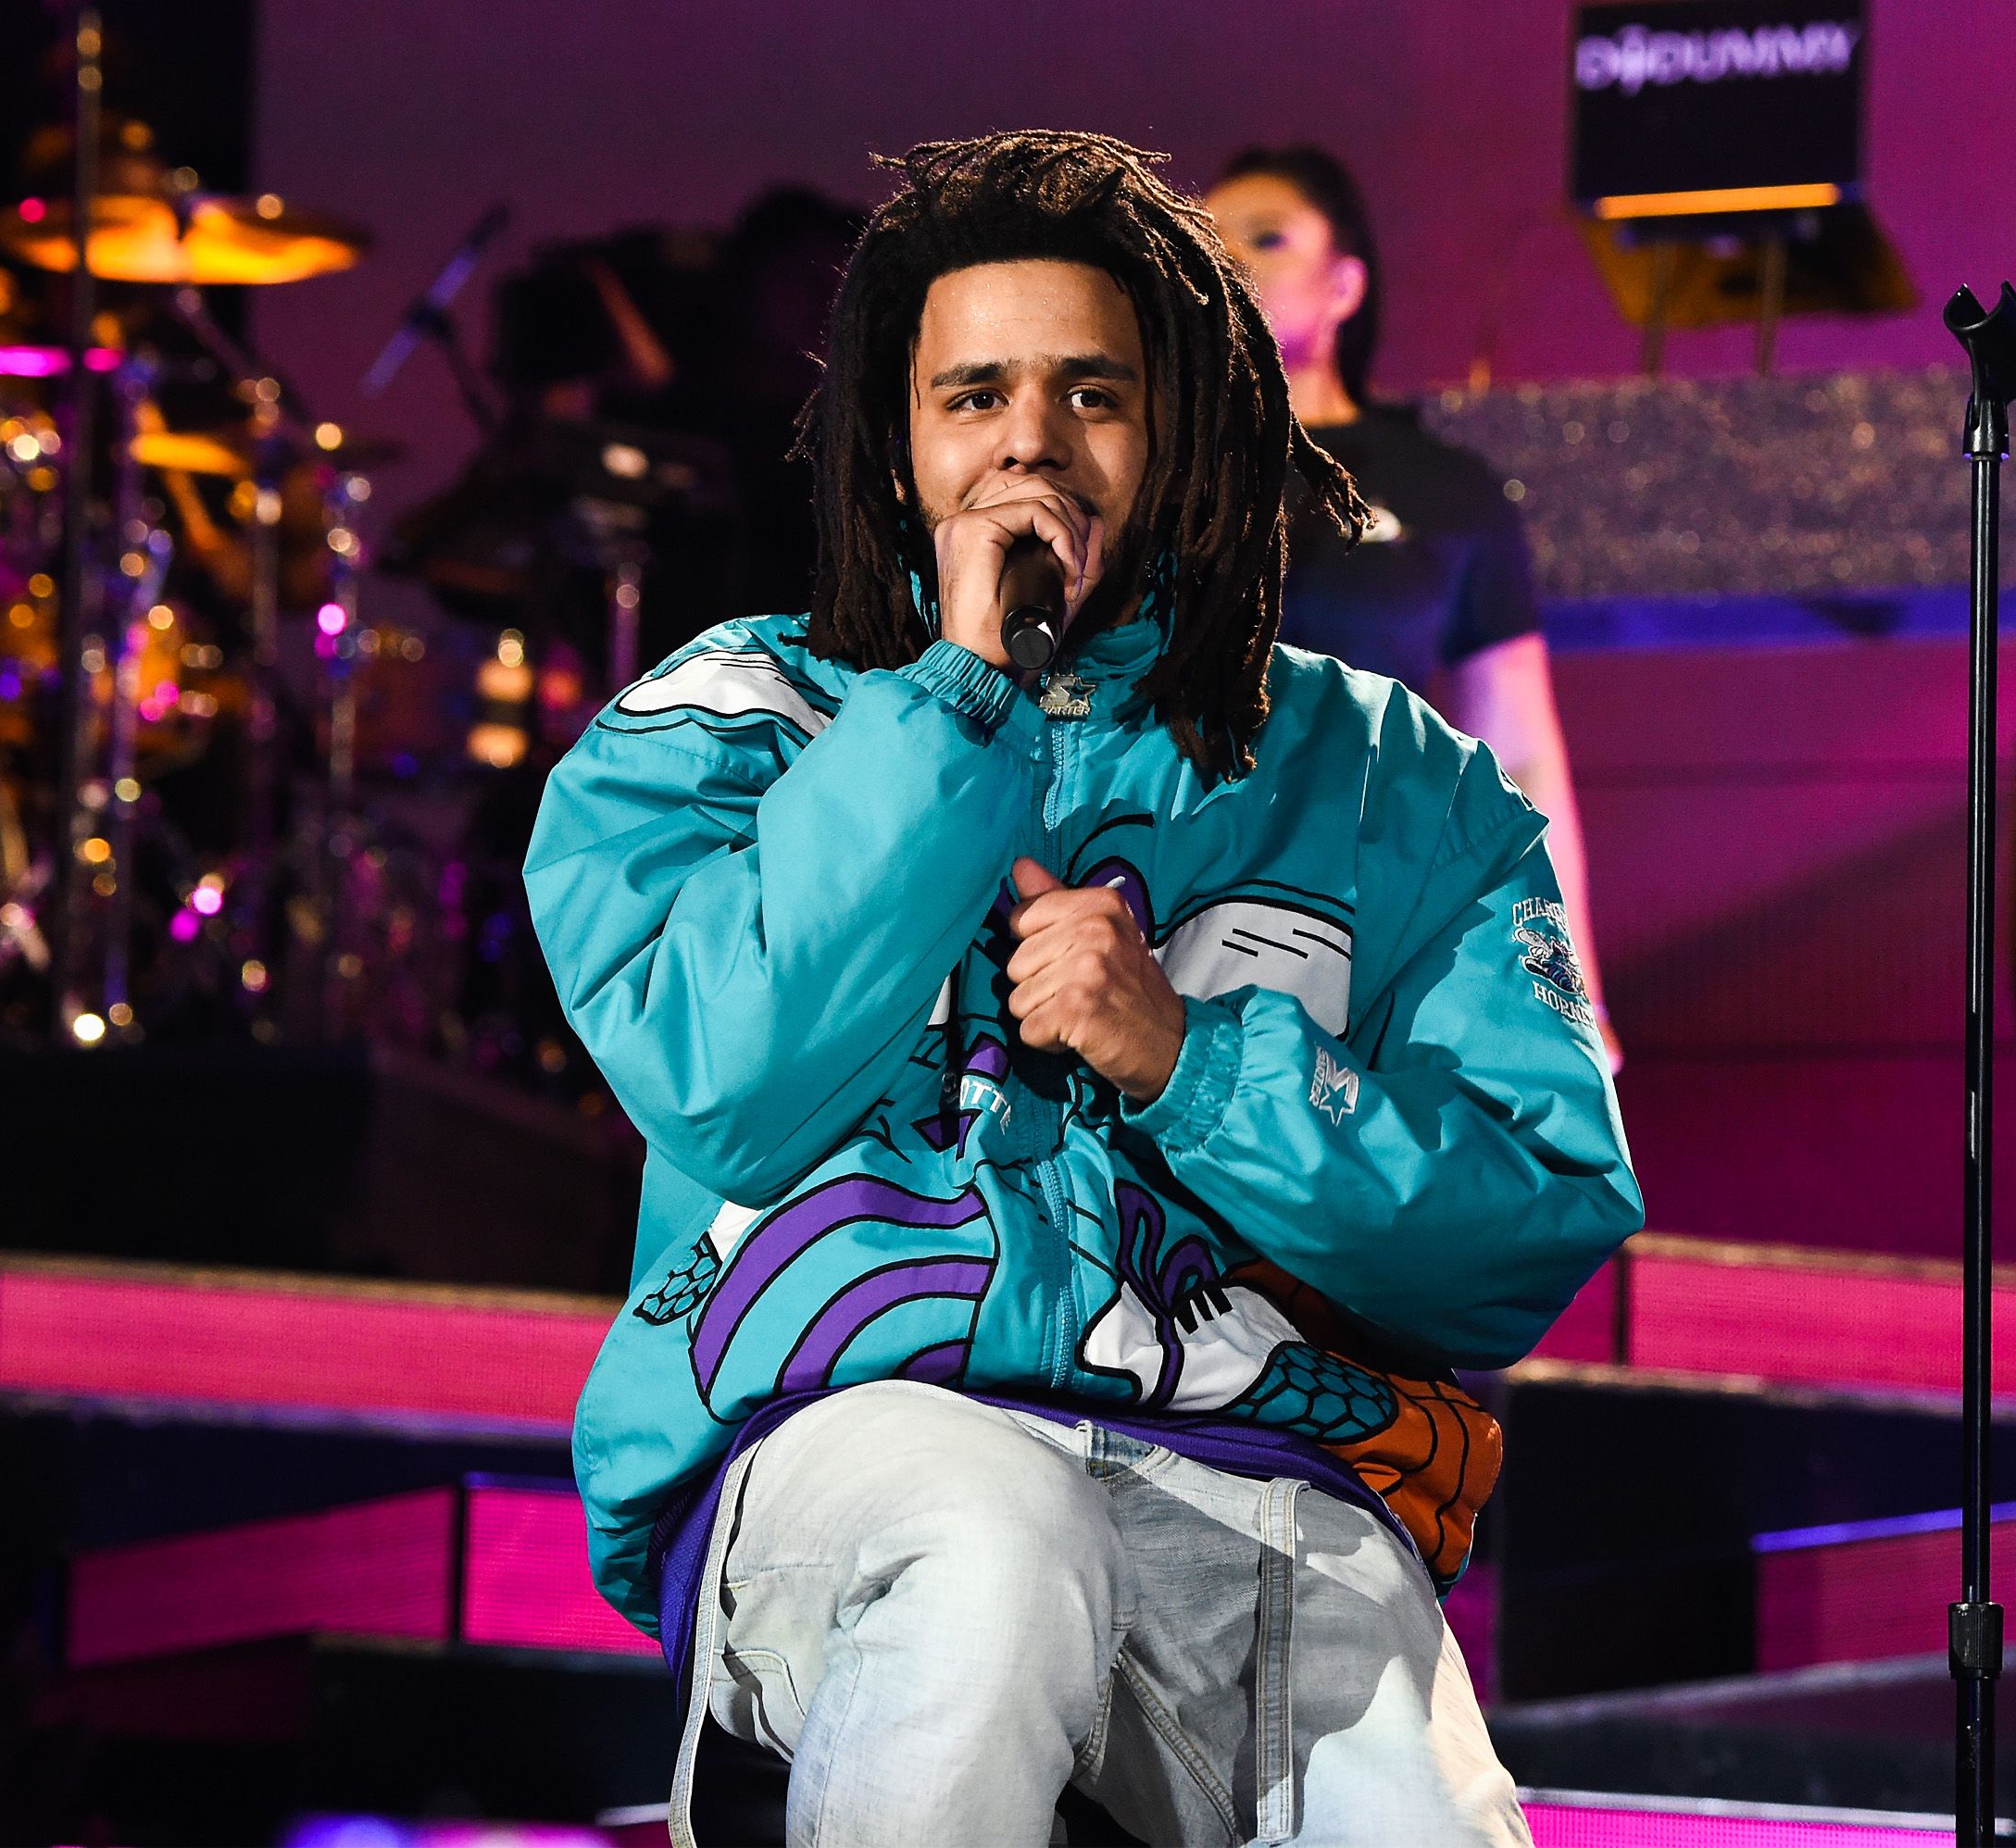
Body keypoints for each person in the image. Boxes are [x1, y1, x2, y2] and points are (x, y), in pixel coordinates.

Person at [526, 131, 1639, 1844]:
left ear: (1178, 431)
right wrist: (957, 698)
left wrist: (1193, 1061)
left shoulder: (1392, 783)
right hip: (857, 1430)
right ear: (895, 447)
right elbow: (721, 1081)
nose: (1028, 441)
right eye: (972, 394)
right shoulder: (725, 728)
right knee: (995, 1548)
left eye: (1089, 395)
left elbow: (1537, 1217)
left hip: (1262, 1468)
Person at [1205, 145, 1616, 1063]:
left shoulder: (1446, 490)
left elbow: (1518, 755)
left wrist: (1565, 988)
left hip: (1378, 922)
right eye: (1205, 240)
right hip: (1180, 918)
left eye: (1266, 238)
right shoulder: (1146, 479)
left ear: (1345, 285)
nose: (1227, 261)